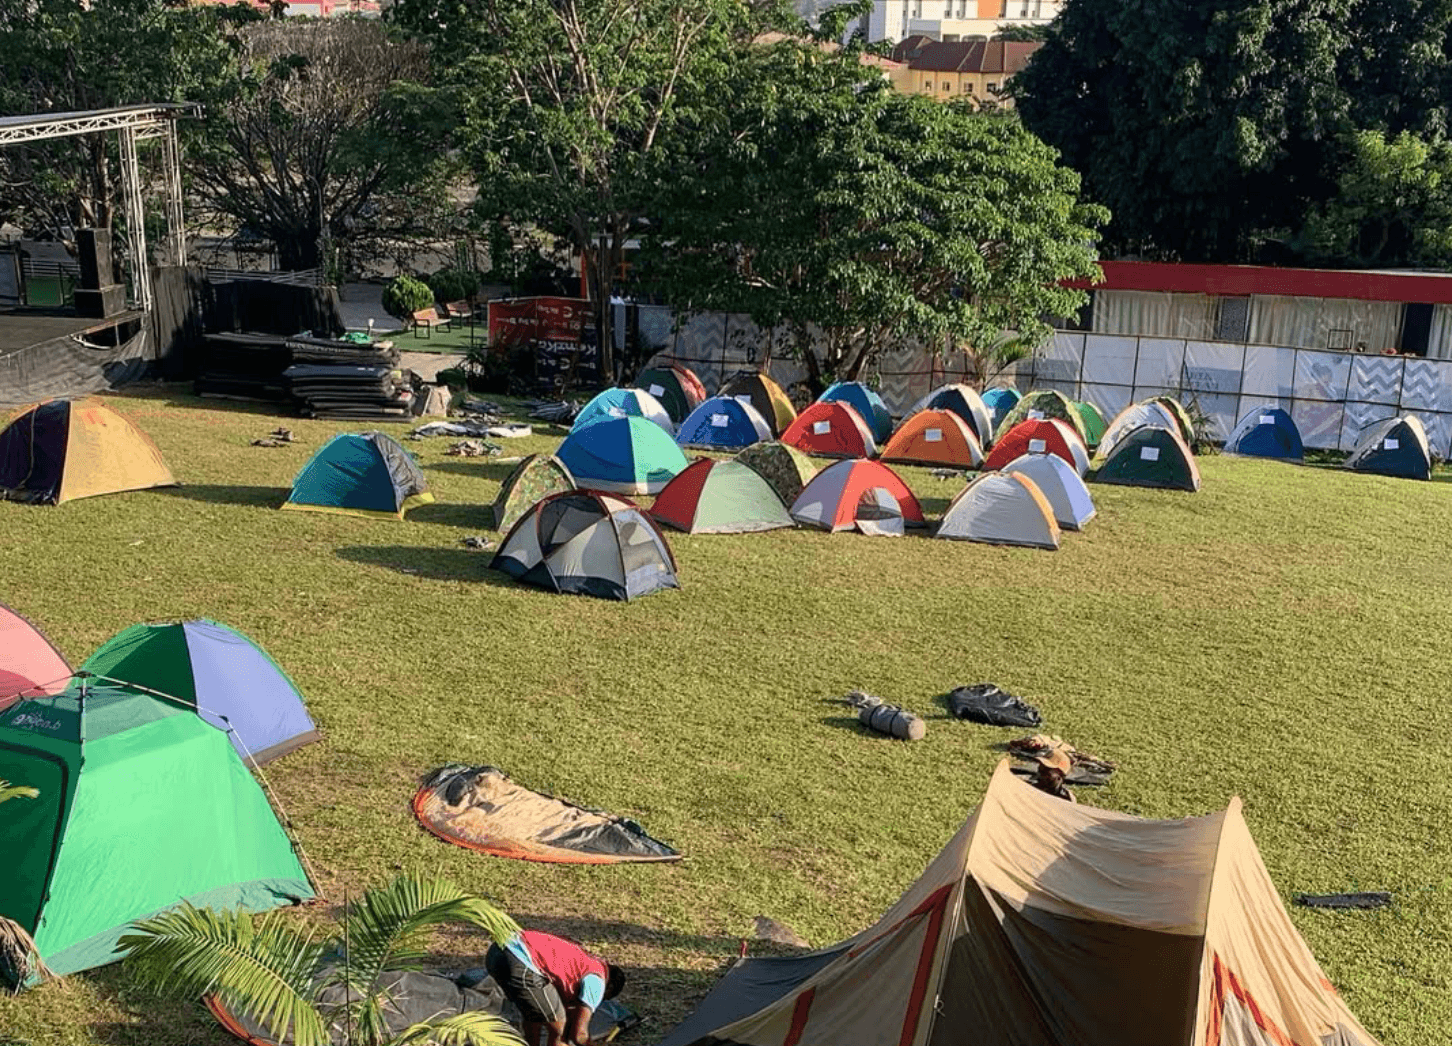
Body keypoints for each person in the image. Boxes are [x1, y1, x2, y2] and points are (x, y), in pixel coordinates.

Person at [484, 928, 626, 1046]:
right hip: (521, 961)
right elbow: (579, 1036)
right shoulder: (598, 980)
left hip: (497, 952)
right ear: (609, 988)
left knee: (534, 1013)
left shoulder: (583, 963)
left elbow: (546, 1008)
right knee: (559, 1026)